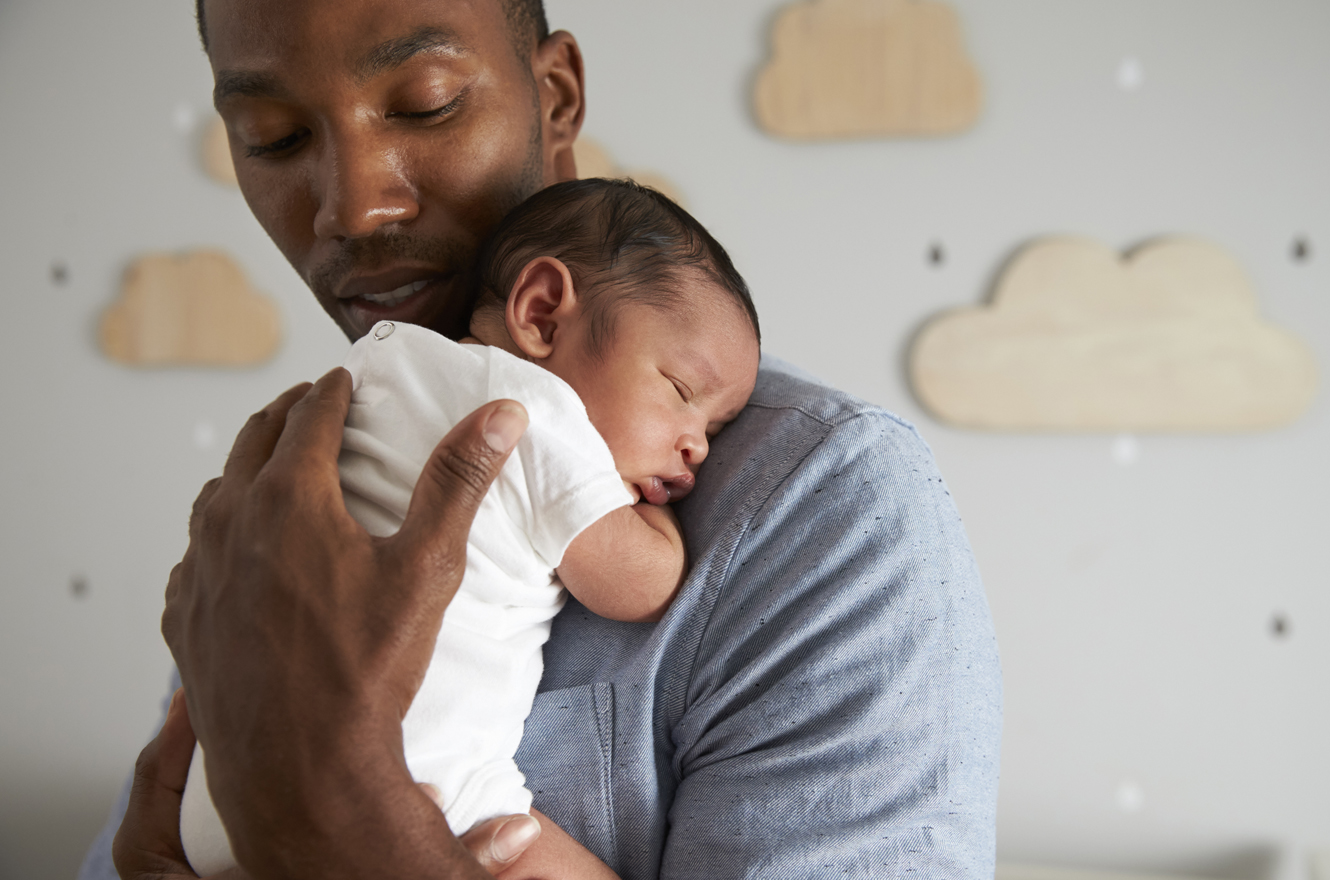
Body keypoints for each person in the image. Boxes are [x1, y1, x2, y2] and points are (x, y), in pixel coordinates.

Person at [80, 0, 1003, 878]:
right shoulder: (299, 483)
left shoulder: (823, 507)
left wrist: (347, 825)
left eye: (428, 104)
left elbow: (298, 816)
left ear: (555, 95)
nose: (353, 207)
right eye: (274, 138)